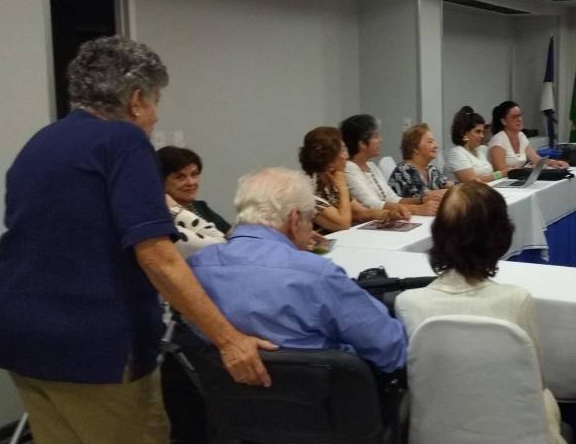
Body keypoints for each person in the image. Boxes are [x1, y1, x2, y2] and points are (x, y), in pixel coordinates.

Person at [0, 36, 272, 444]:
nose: (155, 116)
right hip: (94, 347)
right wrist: (228, 339)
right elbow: (157, 254)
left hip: (17, 334)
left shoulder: (43, 142)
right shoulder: (124, 142)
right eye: (155, 102)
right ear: (136, 99)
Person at [395, 182, 576, 444]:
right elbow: (535, 384)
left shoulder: (408, 303)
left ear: (439, 235)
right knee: (541, 407)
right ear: (499, 237)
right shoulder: (516, 302)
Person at [189, 167, 408, 372]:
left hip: (228, 396)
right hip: (327, 395)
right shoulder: (318, 275)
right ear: (295, 220)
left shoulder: (195, 269)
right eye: (309, 220)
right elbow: (390, 350)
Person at [298, 126, 401, 233]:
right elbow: (343, 224)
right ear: (328, 160)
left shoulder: (332, 181)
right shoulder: (307, 191)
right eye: (342, 150)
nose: (347, 156)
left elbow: (361, 212)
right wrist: (342, 187)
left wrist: (390, 214)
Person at [341, 114, 438, 217]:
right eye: (376, 136)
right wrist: (418, 209)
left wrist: (422, 200)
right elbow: (373, 205)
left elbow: (393, 199)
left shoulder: (371, 166)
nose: (380, 140)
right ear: (362, 144)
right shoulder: (349, 168)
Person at [157, 146, 231, 234]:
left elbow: (232, 234)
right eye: (180, 177)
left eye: (194, 174)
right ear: (160, 180)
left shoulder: (199, 207)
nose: (191, 183)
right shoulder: (158, 217)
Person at [487, 100, 569, 172]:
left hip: (518, 178)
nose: (519, 119)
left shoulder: (521, 135)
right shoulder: (498, 141)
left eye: (520, 115)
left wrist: (553, 162)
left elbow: (536, 159)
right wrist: (525, 169)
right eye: (514, 117)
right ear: (504, 121)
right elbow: (501, 171)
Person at [388, 123, 451, 200]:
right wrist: (454, 191)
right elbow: (424, 197)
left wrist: (459, 188)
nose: (436, 146)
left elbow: (448, 184)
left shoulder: (431, 169)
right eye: (430, 142)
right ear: (415, 148)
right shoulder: (404, 171)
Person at [444, 105, 498, 182]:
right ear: (464, 133)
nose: (482, 136)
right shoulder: (456, 153)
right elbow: (472, 181)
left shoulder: (482, 149)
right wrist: (501, 174)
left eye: (482, 132)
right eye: (478, 132)